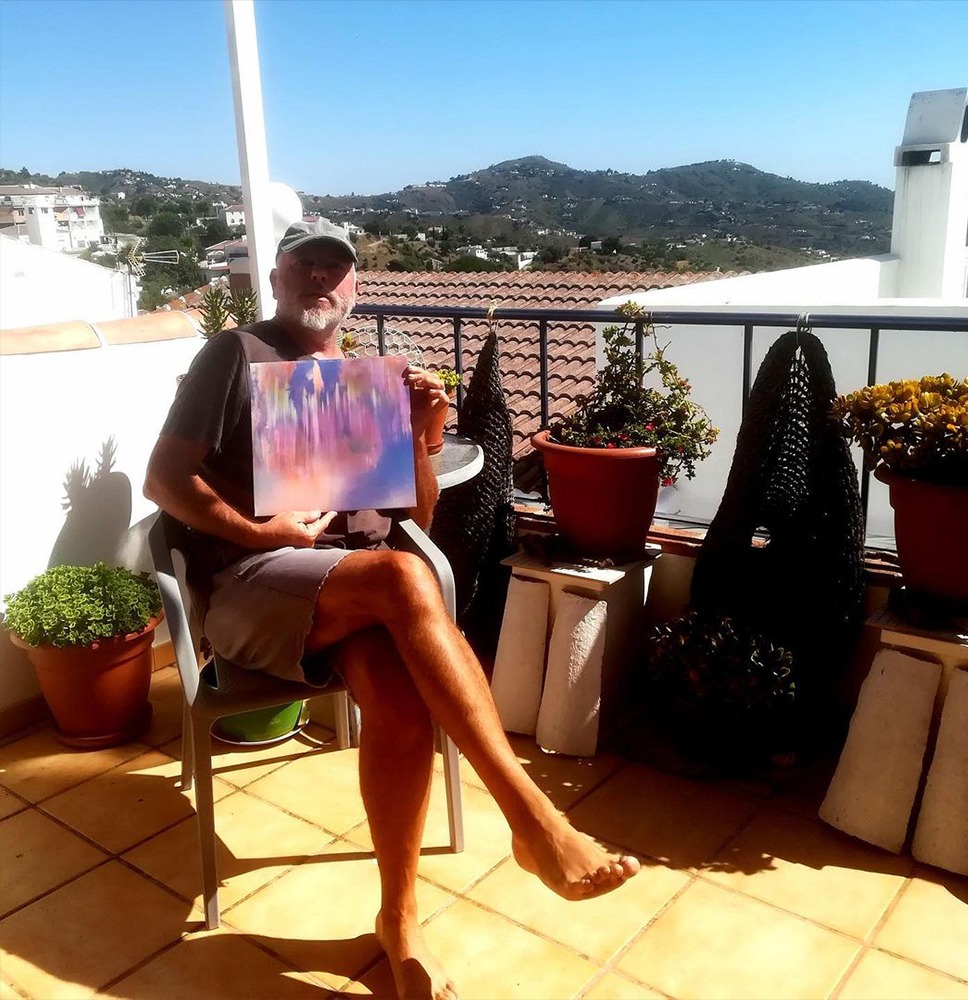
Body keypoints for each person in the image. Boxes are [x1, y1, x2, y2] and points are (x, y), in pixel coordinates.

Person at [144, 218, 639, 1000]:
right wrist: (259, 530)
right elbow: (164, 480)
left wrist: (419, 433)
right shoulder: (235, 354)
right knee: (406, 581)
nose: (319, 277)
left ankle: (399, 924)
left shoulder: (362, 380)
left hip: (351, 593)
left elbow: (416, 517)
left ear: (354, 286)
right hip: (253, 583)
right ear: (275, 277)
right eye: (303, 263)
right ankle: (533, 819)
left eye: (334, 267)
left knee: (404, 708)